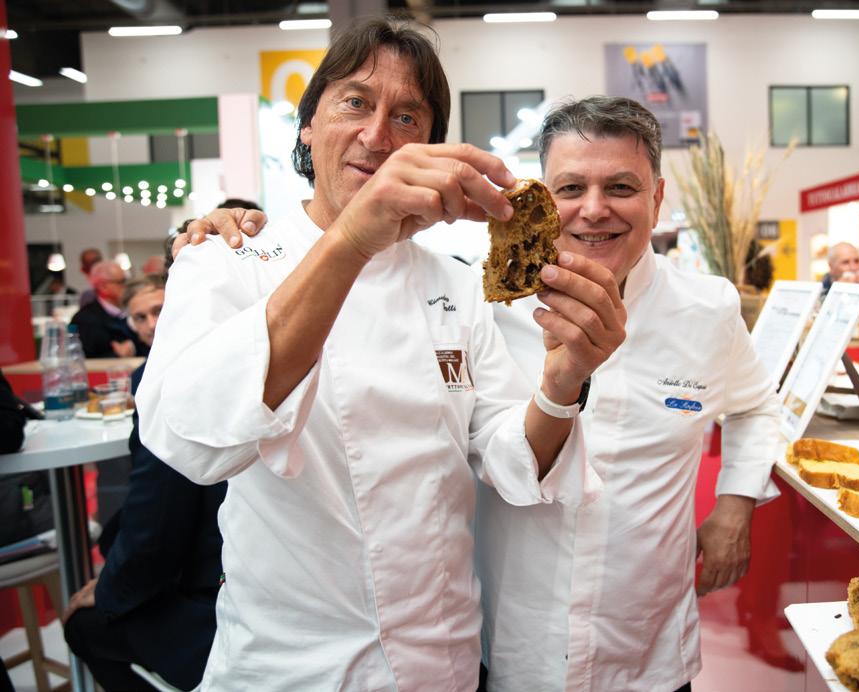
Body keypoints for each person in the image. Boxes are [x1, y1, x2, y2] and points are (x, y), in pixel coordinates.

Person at [198, 96, 782, 692]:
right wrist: (238, 237)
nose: (594, 209)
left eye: (622, 187)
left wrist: (735, 504)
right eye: (571, 188)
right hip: (510, 648)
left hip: (647, 650)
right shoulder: (477, 300)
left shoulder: (708, 309)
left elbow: (757, 404)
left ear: (656, 199)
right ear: (540, 197)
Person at [137, 19, 623, 690]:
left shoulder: (456, 285)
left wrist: (562, 384)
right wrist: (351, 240)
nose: (377, 135)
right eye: (355, 103)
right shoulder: (230, 261)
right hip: (291, 667)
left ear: (430, 147)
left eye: (406, 116)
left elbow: (510, 463)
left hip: (439, 657)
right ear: (308, 126)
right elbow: (188, 441)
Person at [63, 274, 226, 691]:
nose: (153, 323)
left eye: (159, 309)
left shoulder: (166, 377)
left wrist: (111, 588)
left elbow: (157, 523)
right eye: (141, 317)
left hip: (225, 606)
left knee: (83, 624)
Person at [70, 260, 146, 358]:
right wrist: (117, 355)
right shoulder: (86, 320)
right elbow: (85, 359)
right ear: (103, 287)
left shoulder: (130, 311)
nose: (127, 286)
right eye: (122, 282)